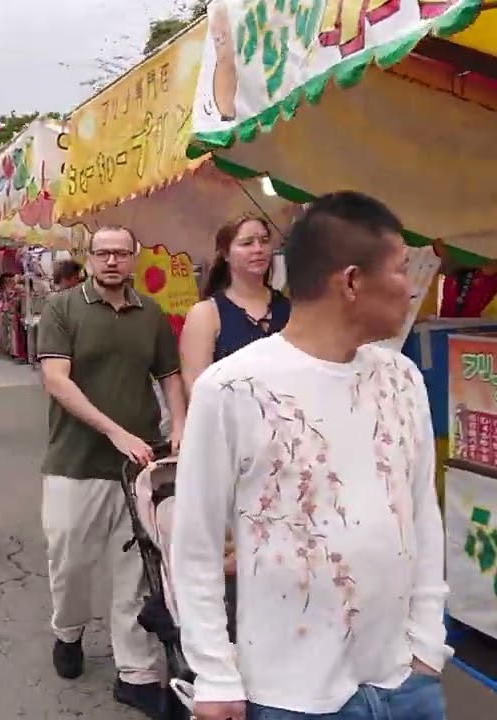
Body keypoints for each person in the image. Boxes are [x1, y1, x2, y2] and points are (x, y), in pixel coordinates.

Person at [171, 192, 448, 720]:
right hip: (288, 696)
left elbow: (422, 518)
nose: (412, 287)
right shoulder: (232, 388)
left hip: (404, 681)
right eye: (398, 269)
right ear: (350, 281)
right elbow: (196, 546)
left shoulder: (401, 379)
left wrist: (426, 644)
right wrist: (214, 674)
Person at [35, 225, 186, 719]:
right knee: (70, 560)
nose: (112, 261)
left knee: (139, 569)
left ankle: (136, 671)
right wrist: (113, 431)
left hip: (140, 465)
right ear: (89, 257)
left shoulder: (152, 314)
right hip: (75, 462)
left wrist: (181, 424)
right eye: (103, 253)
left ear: (134, 259)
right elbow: (56, 379)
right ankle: (69, 630)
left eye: (121, 253)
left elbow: (169, 376)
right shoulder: (63, 308)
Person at [179, 214, 291, 393]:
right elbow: (196, 386)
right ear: (225, 254)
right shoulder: (207, 313)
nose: (258, 249)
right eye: (247, 243)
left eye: (264, 241)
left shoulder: (290, 309)